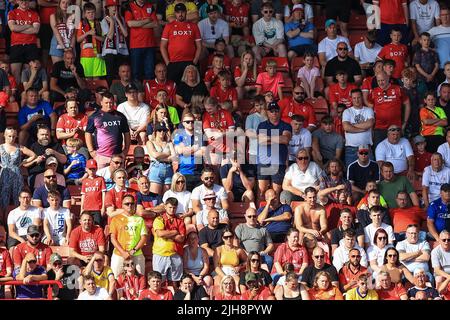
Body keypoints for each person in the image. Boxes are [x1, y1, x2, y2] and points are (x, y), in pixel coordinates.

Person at [85, 92, 131, 169]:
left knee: (119, 179)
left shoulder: (120, 116)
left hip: (117, 156)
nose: (109, 105)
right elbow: (88, 133)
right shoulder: (95, 116)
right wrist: (91, 151)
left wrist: (126, 150)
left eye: (111, 103)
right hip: (101, 156)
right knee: (101, 179)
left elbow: (126, 133)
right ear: (101, 102)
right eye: (106, 103)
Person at [256, 101, 292, 200]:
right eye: (272, 111)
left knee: (276, 192)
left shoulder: (286, 125)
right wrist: (278, 139)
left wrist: (268, 138)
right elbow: (261, 141)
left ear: (279, 112)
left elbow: (285, 139)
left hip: (279, 162)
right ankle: (260, 212)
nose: (274, 113)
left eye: (276, 111)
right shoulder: (262, 125)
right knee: (262, 191)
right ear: (267, 112)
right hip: (263, 161)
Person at [160, 3, 201, 84]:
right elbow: (162, 46)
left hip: (189, 62)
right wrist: (168, 63)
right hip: (174, 62)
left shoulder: (194, 26)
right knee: (174, 87)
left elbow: (199, 46)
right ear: (175, 13)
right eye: (178, 12)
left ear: (186, 12)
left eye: (182, 12)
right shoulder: (168, 26)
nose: (180, 14)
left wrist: (195, 61)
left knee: (191, 86)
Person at [109, 194, 148, 278]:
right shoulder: (116, 219)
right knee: (115, 278)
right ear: (122, 205)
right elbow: (112, 238)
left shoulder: (140, 219)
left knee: (140, 278)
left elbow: (144, 237)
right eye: (127, 204)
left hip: (136, 253)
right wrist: (123, 252)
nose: (129, 205)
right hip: (119, 254)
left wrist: (133, 251)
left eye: (132, 203)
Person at [0, 128, 35, 213]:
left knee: (17, 196)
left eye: (13, 136)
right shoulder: (0, 147)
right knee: (4, 196)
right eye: (9, 136)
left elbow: (33, 155)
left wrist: (23, 162)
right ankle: (3, 218)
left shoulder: (19, 147)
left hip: (17, 174)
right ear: (4, 135)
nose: (11, 138)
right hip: (4, 173)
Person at [371, 71, 411, 146]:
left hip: (395, 127)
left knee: (396, 151)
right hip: (379, 128)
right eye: (378, 81)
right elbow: (369, 105)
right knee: (379, 151)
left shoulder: (398, 89)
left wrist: (404, 123)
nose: (380, 83)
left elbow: (407, 103)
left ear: (388, 78)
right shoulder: (374, 92)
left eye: (382, 80)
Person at [152, 197, 186, 285]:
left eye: (174, 208)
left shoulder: (180, 221)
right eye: (170, 207)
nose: (172, 210)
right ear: (165, 207)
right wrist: (175, 232)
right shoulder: (159, 219)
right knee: (159, 282)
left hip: (176, 254)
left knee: (175, 282)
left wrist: (167, 234)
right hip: (160, 253)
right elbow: (160, 234)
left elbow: (181, 238)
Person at [7, 0, 40, 83]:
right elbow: (12, 28)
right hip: (16, 45)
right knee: (15, 73)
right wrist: (28, 26)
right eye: (22, 0)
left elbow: (35, 30)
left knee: (28, 72)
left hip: (31, 45)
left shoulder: (34, 13)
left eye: (26, 0)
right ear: (17, 1)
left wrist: (18, 29)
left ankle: (27, 93)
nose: (24, 2)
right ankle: (18, 93)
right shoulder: (12, 13)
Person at [124, 0, 157, 80]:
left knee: (150, 73)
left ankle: (149, 91)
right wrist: (147, 20)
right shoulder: (129, 7)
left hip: (150, 45)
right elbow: (130, 24)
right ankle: (137, 92)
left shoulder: (150, 6)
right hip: (135, 45)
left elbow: (155, 24)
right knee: (136, 73)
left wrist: (137, 24)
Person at [342, 89, 375, 167]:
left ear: (362, 97)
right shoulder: (347, 111)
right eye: (354, 98)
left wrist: (352, 125)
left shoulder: (368, 110)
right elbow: (346, 127)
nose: (356, 100)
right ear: (351, 99)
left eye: (358, 97)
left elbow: (370, 123)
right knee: (351, 175)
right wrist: (363, 128)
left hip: (366, 147)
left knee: (370, 174)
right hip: (351, 149)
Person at [100, 0, 129, 86]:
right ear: (107, 8)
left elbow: (125, 34)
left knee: (122, 74)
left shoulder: (122, 19)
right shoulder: (104, 20)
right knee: (110, 75)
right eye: (112, 6)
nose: (114, 8)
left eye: (116, 6)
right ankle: (111, 93)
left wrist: (118, 20)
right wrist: (112, 22)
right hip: (109, 52)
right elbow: (110, 36)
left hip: (121, 50)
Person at [146, 122, 176, 196]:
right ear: (155, 132)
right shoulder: (150, 142)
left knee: (167, 197)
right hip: (156, 168)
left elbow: (174, 157)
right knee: (155, 197)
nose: (162, 132)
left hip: (168, 168)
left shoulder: (169, 143)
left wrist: (161, 157)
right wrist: (168, 154)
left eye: (164, 130)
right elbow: (155, 155)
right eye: (159, 130)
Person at [428, 7, 450, 72]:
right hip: (440, 67)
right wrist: (431, 49)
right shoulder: (434, 30)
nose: (445, 17)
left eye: (447, 14)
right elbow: (422, 40)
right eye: (443, 15)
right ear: (439, 17)